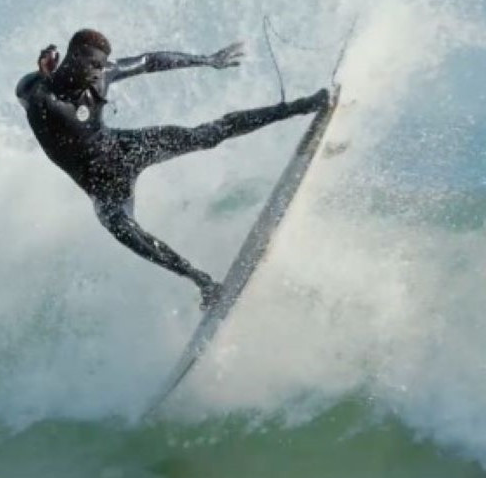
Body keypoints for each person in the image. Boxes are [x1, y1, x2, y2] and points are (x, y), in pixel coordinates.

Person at [16, 29, 329, 309]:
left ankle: (301, 106)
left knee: (205, 135)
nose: (98, 72)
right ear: (72, 60)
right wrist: (42, 75)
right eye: (92, 64)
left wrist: (206, 60)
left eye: (100, 65)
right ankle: (202, 282)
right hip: (104, 190)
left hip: (124, 150)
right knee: (128, 232)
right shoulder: (41, 97)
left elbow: (150, 61)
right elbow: (24, 90)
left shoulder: (101, 75)